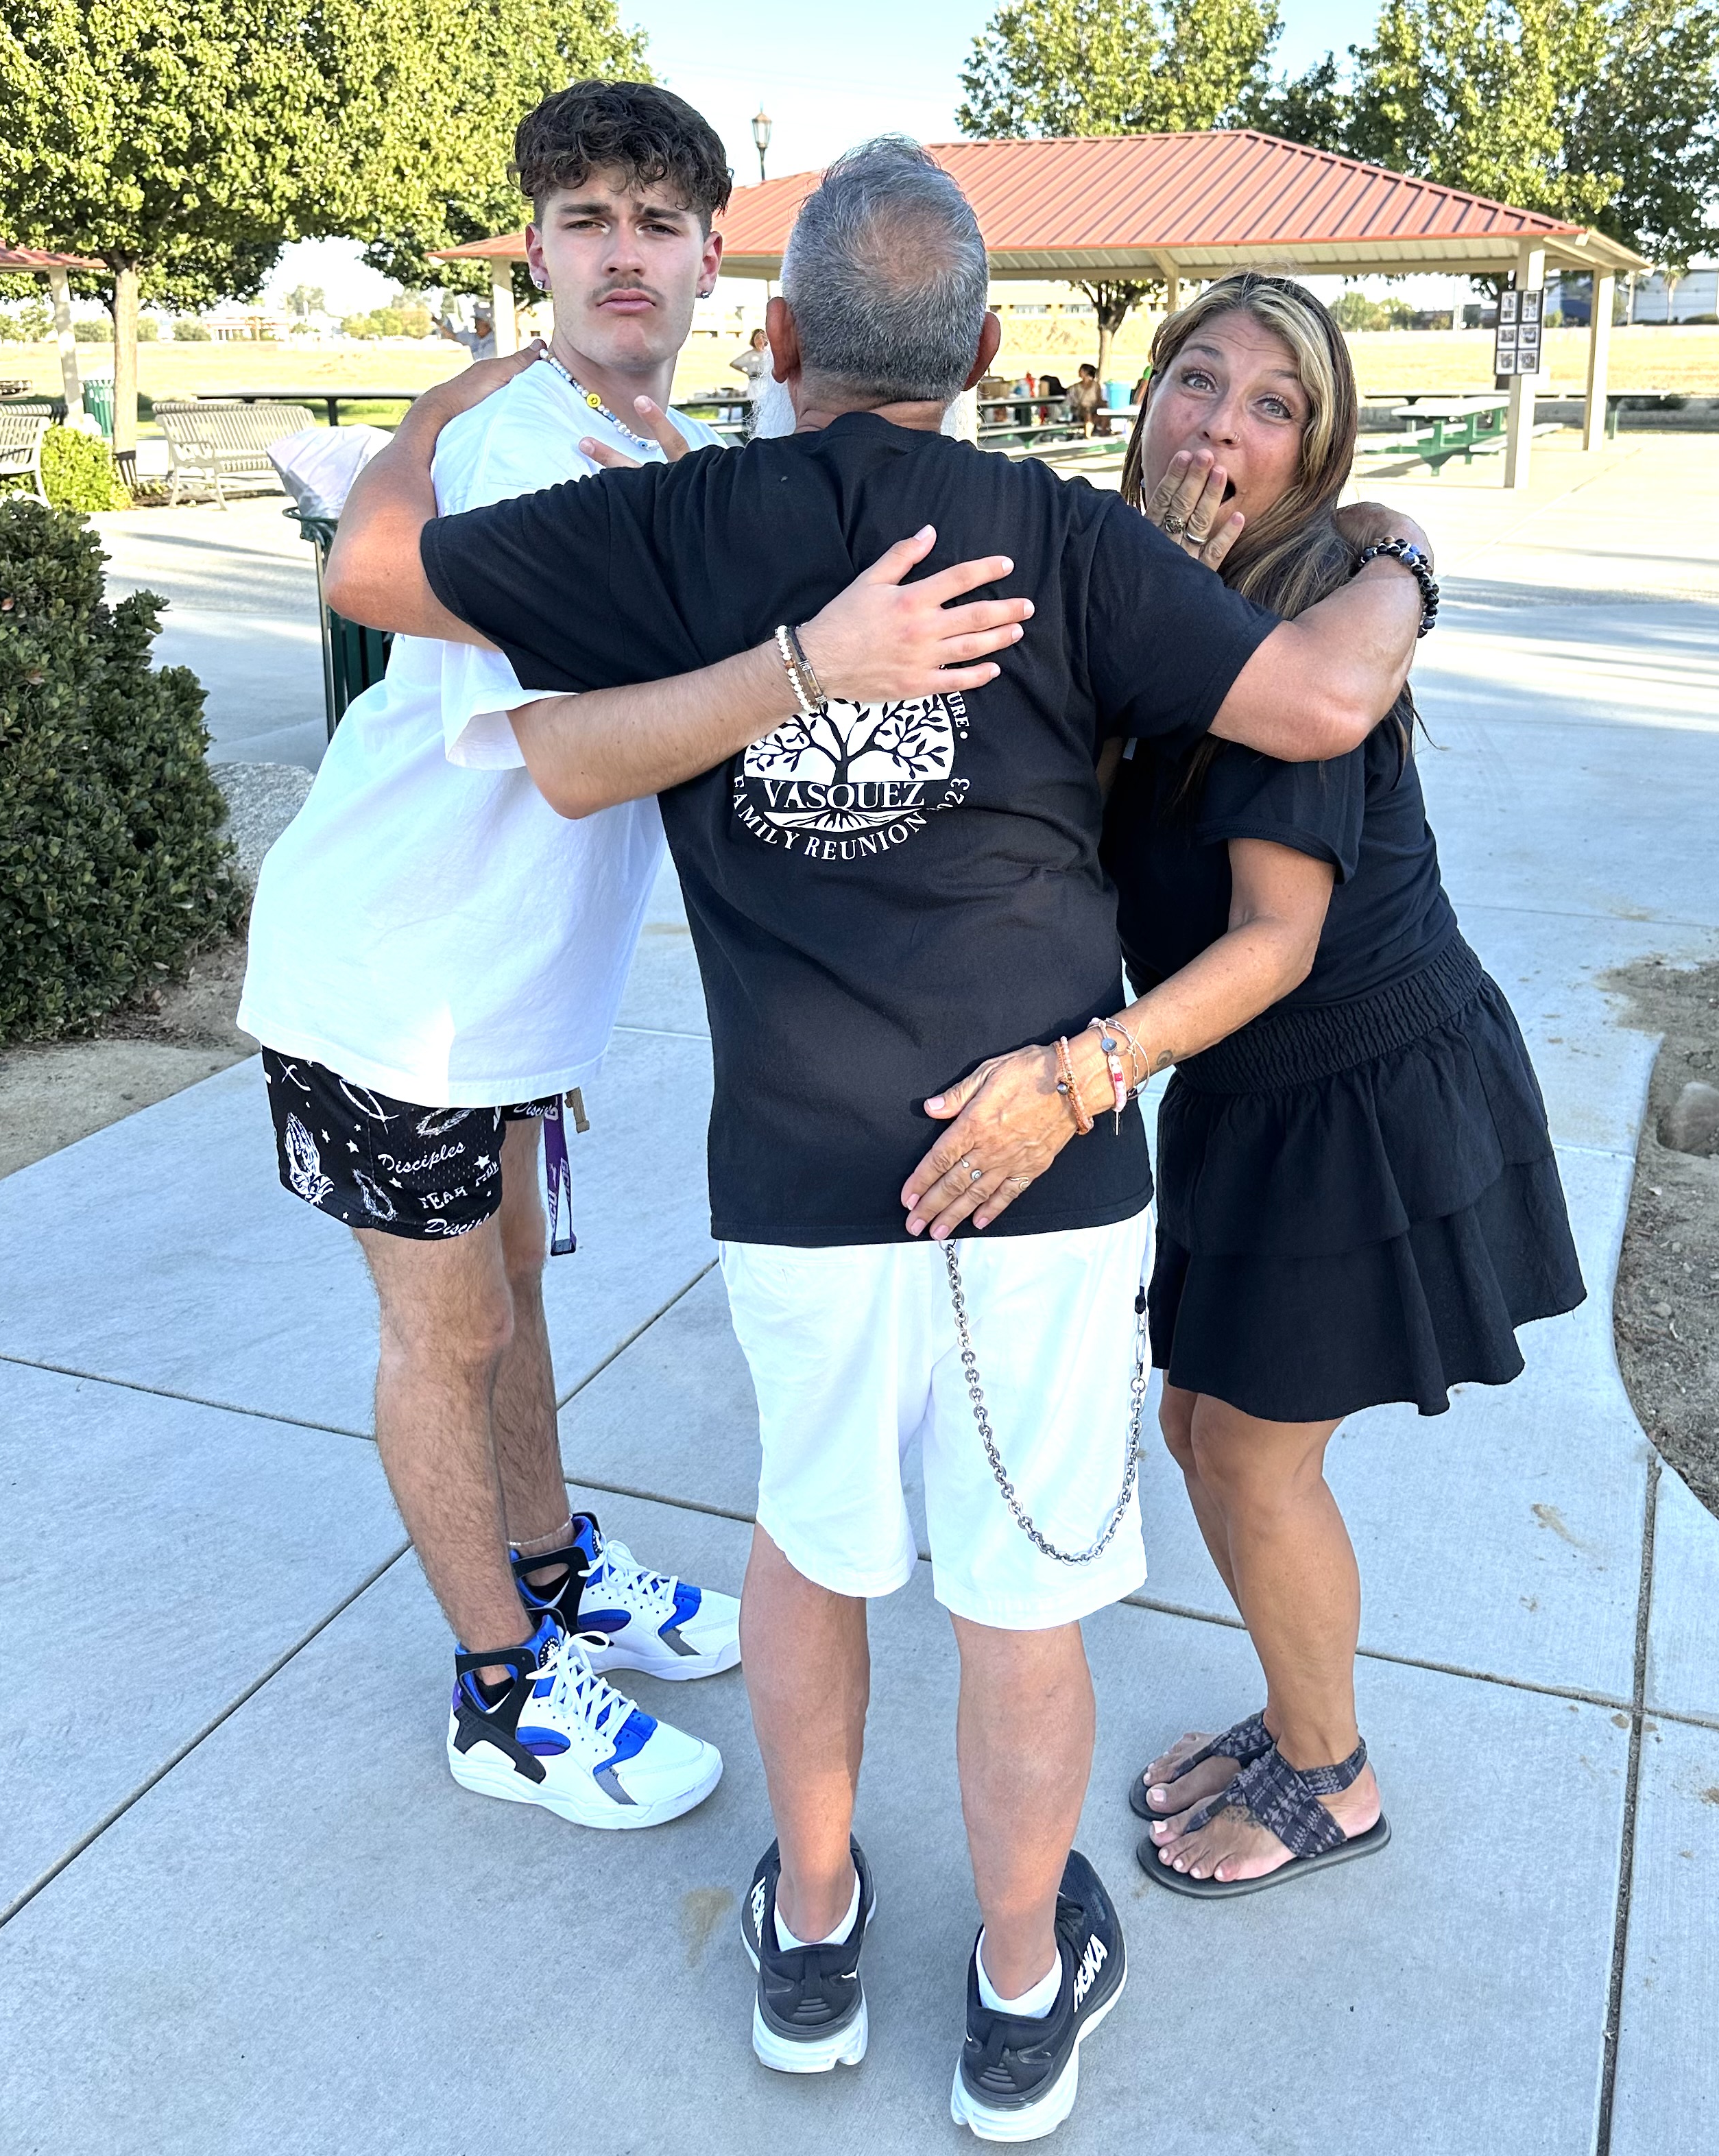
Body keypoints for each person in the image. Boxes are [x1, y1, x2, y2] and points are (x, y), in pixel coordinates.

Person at [325, 140, 1433, 2139]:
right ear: (988, 352)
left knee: (813, 1548)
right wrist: (1400, 555)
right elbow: (1317, 703)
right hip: (1048, 1169)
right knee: (1020, 1598)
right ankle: (1015, 1986)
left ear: (772, 334)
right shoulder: (1067, 539)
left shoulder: (672, 519)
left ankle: (817, 1934)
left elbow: (371, 569)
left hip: (801, 1172)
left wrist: (451, 398)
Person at [238, 86, 1013, 1838]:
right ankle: (499, 1689)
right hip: (396, 983)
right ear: (535, 248)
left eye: (656, 223)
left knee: (512, 1292)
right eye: (583, 219)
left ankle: (549, 1566)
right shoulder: (520, 448)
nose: (621, 254)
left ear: (714, 263)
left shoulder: (656, 452)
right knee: (442, 1336)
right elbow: (557, 737)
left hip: (500, 994)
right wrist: (808, 666)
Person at [926, 272, 1585, 1901]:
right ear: (1143, 395)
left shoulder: (1297, 637)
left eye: (1272, 404)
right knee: (1196, 1423)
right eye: (1197, 380)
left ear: (1311, 454)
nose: (1221, 425)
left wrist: (1078, 1078)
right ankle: (1298, 1717)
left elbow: (1277, 941)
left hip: (1359, 1090)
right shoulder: (1130, 584)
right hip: (1244, 1091)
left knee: (1253, 1458)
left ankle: (1330, 1777)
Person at [730, 324, 771, 433]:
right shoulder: (750, 355)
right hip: (755, 385)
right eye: (757, 338)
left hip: (768, 385)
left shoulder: (770, 355)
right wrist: (747, 372)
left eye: (763, 338)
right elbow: (734, 364)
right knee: (753, 410)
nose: (760, 341)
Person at [1066, 361, 1103, 435]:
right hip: (1080, 409)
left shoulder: (1096, 385)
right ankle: (1088, 435)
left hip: (1094, 407)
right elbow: (1072, 400)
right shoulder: (1076, 387)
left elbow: (1099, 398)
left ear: (1085, 372)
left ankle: (1103, 434)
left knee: (1102, 415)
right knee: (1087, 413)